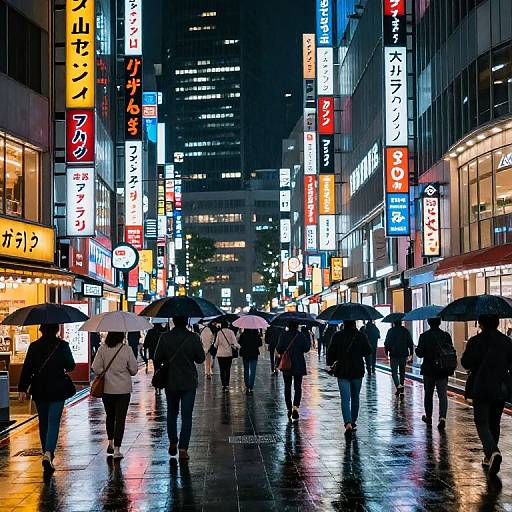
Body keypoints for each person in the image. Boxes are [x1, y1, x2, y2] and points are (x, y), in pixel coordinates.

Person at [18, 324, 76, 473]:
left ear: (41, 330)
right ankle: (49, 453)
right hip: (57, 389)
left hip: (39, 389)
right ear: (56, 329)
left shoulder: (34, 346)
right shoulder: (62, 345)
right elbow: (70, 366)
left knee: (43, 422)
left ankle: (46, 453)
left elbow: (27, 368)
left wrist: (22, 389)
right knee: (53, 421)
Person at [461, 315, 512, 476]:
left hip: (481, 386)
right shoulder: (506, 341)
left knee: (481, 421)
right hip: (501, 387)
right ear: (497, 322)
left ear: (481, 323)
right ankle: (488, 456)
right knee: (494, 422)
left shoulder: (475, 341)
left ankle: (492, 452)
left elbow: (465, 363)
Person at [154, 316, 205, 460]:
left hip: (171, 381)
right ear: (186, 321)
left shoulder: (165, 337)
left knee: (172, 412)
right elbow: (200, 359)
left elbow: (156, 358)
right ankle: (183, 448)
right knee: (186, 415)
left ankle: (172, 441)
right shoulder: (193, 337)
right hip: (189, 381)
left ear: (173, 321)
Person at [92, 332, 138, 460]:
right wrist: (125, 370)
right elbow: (134, 370)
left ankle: (110, 442)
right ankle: (117, 449)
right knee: (120, 418)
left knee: (110, 416)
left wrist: (105, 373)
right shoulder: (126, 349)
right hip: (123, 389)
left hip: (107, 389)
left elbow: (95, 367)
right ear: (121, 336)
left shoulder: (102, 349)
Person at [327, 320, 371, 436]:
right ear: (354, 323)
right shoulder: (361, 335)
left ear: (344, 323)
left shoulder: (337, 335)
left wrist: (331, 362)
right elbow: (368, 351)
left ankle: (347, 423)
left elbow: (330, 353)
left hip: (342, 371)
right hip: (357, 370)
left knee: (345, 399)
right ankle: (353, 421)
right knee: (355, 397)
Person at [415, 318, 455, 430]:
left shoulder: (424, 336)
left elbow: (420, 354)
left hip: (429, 369)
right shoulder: (446, 335)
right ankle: (442, 417)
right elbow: (450, 350)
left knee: (428, 394)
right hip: (443, 369)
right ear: (439, 322)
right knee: (442, 394)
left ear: (429, 323)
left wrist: (417, 350)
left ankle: (428, 416)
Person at [276, 321, 311, 422]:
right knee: (298, 386)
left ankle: (289, 408)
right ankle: (296, 406)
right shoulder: (301, 336)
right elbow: (307, 348)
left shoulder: (283, 335)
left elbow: (278, 349)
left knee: (287, 386)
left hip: (287, 364)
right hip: (299, 364)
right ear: (297, 326)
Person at [384, 320, 414, 396]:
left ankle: (398, 386)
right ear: (401, 322)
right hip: (404, 353)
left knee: (394, 371)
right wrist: (411, 352)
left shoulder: (391, 331)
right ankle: (401, 385)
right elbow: (410, 341)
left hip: (394, 354)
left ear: (394, 323)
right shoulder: (405, 330)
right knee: (402, 371)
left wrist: (386, 351)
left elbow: (387, 342)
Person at [214, 320, 240, 391]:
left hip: (220, 354)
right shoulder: (231, 332)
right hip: (228, 354)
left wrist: (215, 345)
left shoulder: (219, 333)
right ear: (227, 325)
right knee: (227, 369)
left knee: (222, 370)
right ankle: (227, 385)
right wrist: (239, 346)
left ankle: (223, 385)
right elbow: (235, 343)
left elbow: (216, 344)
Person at [238, 328, 263, 393]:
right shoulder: (256, 334)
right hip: (254, 354)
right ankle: (251, 386)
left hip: (245, 354)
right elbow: (260, 344)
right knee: (253, 370)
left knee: (246, 369)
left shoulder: (243, 334)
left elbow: (240, 343)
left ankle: (247, 385)